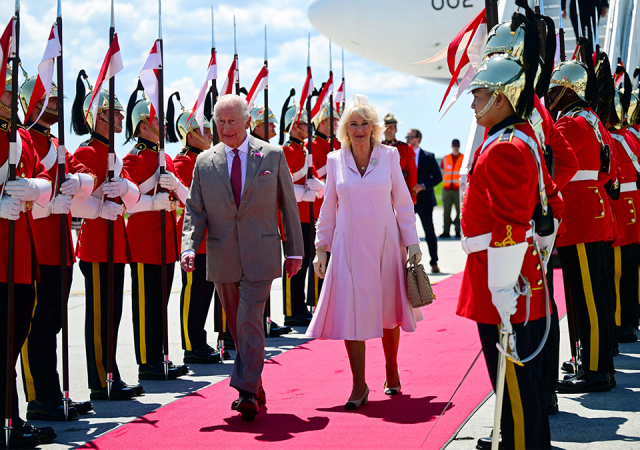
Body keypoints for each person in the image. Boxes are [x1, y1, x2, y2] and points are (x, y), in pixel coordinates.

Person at [181, 94, 304, 421]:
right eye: (220, 121)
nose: (225, 127)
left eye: (232, 121)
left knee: (250, 321)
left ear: (247, 121)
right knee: (238, 328)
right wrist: (189, 246)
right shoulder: (204, 162)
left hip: (261, 253)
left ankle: (246, 392)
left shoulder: (273, 155)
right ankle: (256, 383)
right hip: (222, 256)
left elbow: (288, 205)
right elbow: (195, 210)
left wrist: (294, 251)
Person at [459, 54, 553, 450]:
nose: (473, 103)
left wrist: (501, 286)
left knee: (514, 380)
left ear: (500, 98)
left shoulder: (503, 148)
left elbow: (510, 226)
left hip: (502, 274)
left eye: (479, 95)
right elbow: (551, 207)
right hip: (516, 270)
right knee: (519, 376)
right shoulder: (522, 140)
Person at [308, 94, 423, 410]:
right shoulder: (335, 159)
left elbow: (402, 202)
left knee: (389, 311)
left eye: (364, 124)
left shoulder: (389, 156)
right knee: (351, 313)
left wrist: (412, 242)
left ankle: (391, 368)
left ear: (374, 128)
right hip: (347, 248)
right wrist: (321, 249)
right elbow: (328, 208)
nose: (359, 129)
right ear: (345, 129)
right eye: (353, 124)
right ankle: (359, 385)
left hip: (386, 245)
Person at [18, 73, 95, 422]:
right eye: (49, 100)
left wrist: (79, 180)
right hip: (38, 246)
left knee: (52, 325)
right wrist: (49, 203)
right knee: (35, 327)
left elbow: (87, 176)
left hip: (61, 248)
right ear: (31, 104)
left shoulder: (56, 143)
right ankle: (38, 397)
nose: (56, 106)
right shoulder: (26, 140)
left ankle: (53, 391)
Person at [70, 70, 143, 401]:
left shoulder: (112, 153)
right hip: (98, 245)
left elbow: (133, 198)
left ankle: (111, 371)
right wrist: (101, 202)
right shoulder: (88, 152)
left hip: (115, 244)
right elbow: (77, 199)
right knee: (100, 317)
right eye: (115, 113)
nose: (121, 119)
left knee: (112, 316)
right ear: (98, 117)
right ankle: (101, 381)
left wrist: (124, 187)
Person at [548, 59, 615, 393]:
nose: (550, 97)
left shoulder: (569, 124)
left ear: (568, 90)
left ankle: (595, 370)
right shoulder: (592, 121)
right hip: (593, 207)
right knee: (593, 293)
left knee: (587, 297)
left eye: (555, 91)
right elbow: (608, 170)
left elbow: (558, 165)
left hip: (580, 215)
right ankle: (594, 361)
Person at [0, 66, 57, 447]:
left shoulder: (20, 136)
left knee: (12, 342)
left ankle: (11, 418)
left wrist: (35, 188)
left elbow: (44, 181)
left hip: (20, 257)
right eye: (6, 91)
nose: (11, 97)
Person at [122, 83, 189, 381]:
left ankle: (160, 356)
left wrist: (174, 188)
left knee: (160, 304)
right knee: (146, 306)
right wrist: (152, 203)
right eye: (157, 120)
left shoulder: (167, 158)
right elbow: (126, 202)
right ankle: (147, 363)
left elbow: (182, 199)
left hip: (166, 242)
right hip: (145, 242)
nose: (163, 125)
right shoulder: (134, 158)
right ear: (142, 125)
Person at [166, 94, 224, 364]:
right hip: (194, 237)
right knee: (194, 291)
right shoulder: (183, 162)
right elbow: (186, 198)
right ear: (191, 135)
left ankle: (199, 340)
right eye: (205, 131)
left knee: (206, 291)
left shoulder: (207, 159)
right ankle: (192, 344)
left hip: (211, 236)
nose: (211, 134)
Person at [281, 103, 325, 326]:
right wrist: (303, 193)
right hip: (294, 216)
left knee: (306, 261)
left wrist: (320, 187)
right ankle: (291, 310)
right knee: (294, 263)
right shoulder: (287, 151)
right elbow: (282, 185)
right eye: (304, 124)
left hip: (308, 216)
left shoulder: (304, 151)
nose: (308, 127)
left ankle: (300, 307)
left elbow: (316, 180)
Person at [410, 128, 443, 273]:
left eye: (410, 137)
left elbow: (438, 177)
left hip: (425, 200)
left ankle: (434, 262)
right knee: (406, 233)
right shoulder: (403, 155)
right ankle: (406, 264)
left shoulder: (429, 156)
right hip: (408, 200)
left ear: (418, 139)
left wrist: (423, 186)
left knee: (429, 231)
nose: (407, 139)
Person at [383, 113, 417, 203]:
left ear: (396, 130)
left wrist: (412, 196)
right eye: (386, 127)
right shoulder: (377, 148)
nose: (388, 130)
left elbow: (412, 173)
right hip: (381, 193)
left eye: (391, 127)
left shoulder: (406, 148)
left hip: (400, 191)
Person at [439, 138, 462, 238]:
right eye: (454, 145)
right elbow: (441, 172)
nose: (455, 147)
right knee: (446, 211)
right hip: (447, 189)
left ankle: (458, 230)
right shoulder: (445, 158)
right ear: (452, 146)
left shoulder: (463, 158)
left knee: (459, 211)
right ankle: (446, 231)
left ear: (459, 146)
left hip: (458, 189)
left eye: (457, 145)